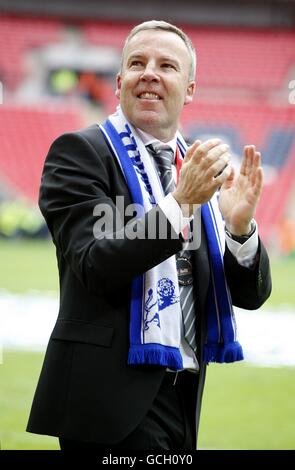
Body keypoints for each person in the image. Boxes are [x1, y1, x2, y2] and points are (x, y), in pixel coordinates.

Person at [27, 20, 271, 451]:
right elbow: (94, 263)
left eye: (167, 65)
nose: (150, 73)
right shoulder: (81, 153)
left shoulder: (196, 166)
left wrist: (238, 228)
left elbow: (250, 296)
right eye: (137, 63)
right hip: (107, 402)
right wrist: (180, 204)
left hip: (184, 393)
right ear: (120, 82)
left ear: (190, 89)